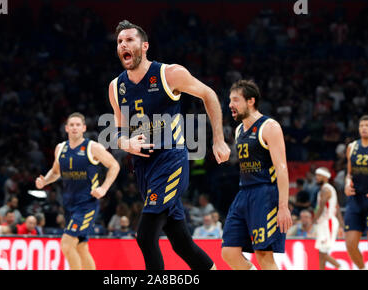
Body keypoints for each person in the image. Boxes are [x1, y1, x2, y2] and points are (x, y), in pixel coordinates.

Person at [108, 20, 230, 270]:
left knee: (145, 236)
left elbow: (208, 94)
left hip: (171, 160)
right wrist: (127, 143)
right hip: (144, 168)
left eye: (129, 40)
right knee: (181, 242)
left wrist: (218, 139)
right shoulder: (116, 86)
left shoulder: (169, 73)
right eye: (120, 41)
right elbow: (118, 133)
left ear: (144, 46)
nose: (123, 45)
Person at [222, 80, 292, 270]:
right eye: (230, 100)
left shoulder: (270, 126)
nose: (230, 105)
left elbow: (282, 168)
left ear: (250, 101)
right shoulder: (238, 131)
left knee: (263, 255)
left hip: (265, 194)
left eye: (235, 100)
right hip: (243, 193)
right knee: (228, 252)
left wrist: (283, 207)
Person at [35, 112, 120, 270]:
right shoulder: (60, 148)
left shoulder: (93, 147)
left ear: (84, 128)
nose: (74, 128)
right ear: (66, 128)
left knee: (66, 245)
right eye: (71, 125)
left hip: (86, 205)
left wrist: (104, 188)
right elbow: (55, 172)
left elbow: (114, 165)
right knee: (81, 248)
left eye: (78, 125)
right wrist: (45, 181)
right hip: (68, 206)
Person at [344, 115, 368, 269]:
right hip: (355, 200)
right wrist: (346, 183)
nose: (363, 128)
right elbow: (349, 173)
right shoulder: (352, 147)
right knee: (350, 244)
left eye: (367, 125)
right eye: (361, 125)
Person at [312, 167, 344, 269]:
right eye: (316, 175)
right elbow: (337, 208)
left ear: (325, 177)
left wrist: (313, 221)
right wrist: (341, 223)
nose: (316, 177)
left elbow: (321, 207)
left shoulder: (326, 189)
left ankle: (340, 267)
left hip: (327, 222)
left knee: (323, 253)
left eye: (319, 175)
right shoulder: (325, 189)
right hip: (325, 223)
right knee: (321, 253)